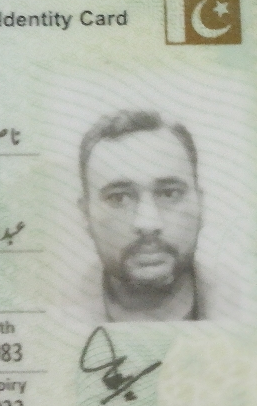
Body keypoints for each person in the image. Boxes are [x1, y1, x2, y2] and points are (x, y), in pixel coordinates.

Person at [79, 110, 206, 321]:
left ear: (200, 204)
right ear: (86, 215)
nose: (148, 223)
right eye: (119, 198)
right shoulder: (46, 316)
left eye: (169, 194)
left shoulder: (251, 305)